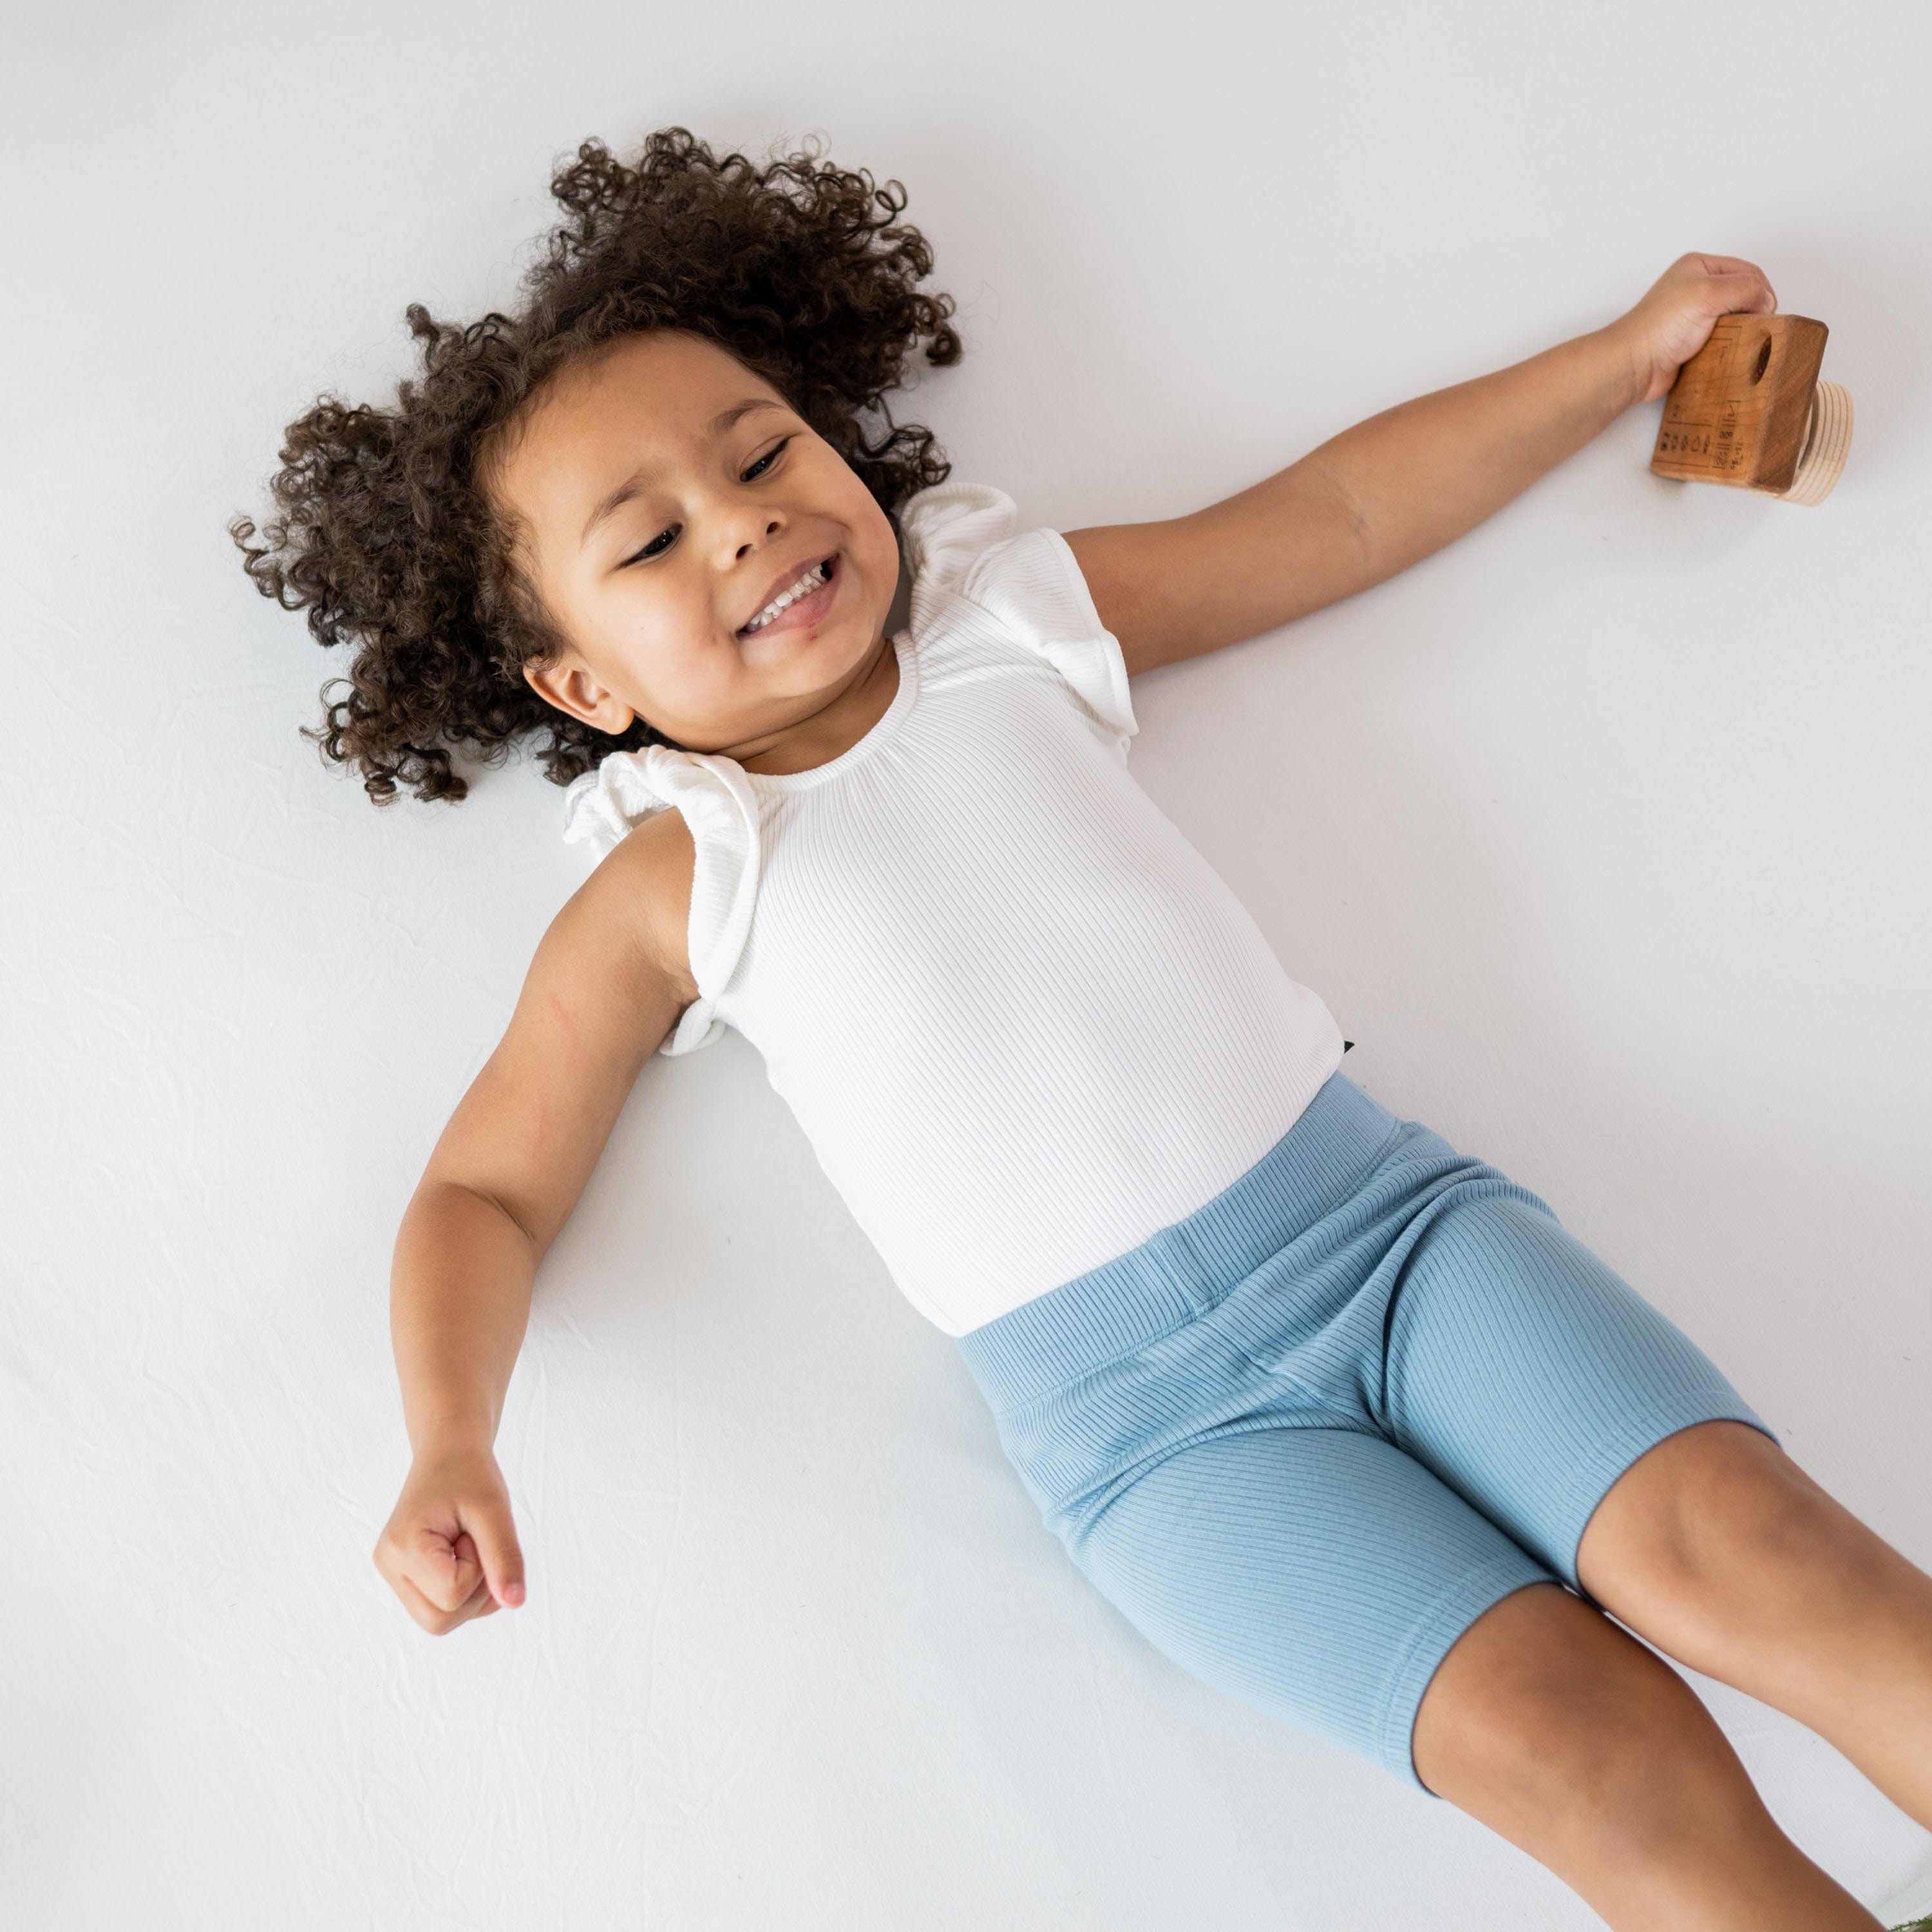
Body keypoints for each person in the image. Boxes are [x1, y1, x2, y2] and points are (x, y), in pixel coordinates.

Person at [233, 128, 1932, 1931]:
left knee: (1760, 1563)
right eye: (652, 539)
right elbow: (486, 1191)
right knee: (1584, 1760)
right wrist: (449, 1439)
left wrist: (1619, 361)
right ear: (584, 684)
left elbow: (1333, 519)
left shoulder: (1005, 627)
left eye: (766, 454)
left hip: (1398, 1246)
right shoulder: (674, 880)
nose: (743, 519)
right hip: (1158, 1450)